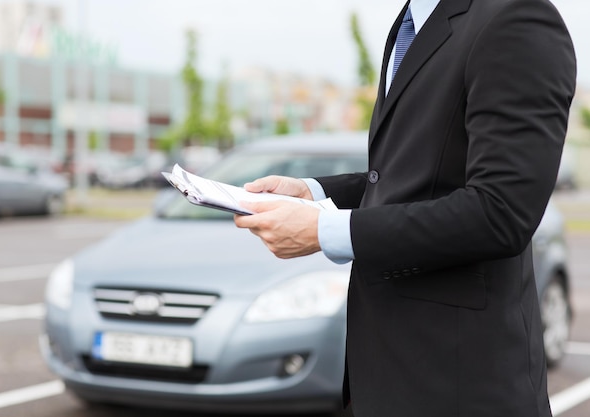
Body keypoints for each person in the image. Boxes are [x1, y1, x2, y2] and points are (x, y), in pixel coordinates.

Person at [234, 0, 576, 416]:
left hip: (459, 386)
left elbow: (501, 212)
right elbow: (408, 177)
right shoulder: (411, 23)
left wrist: (325, 231)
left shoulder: (517, 17)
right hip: (388, 376)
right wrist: (312, 191)